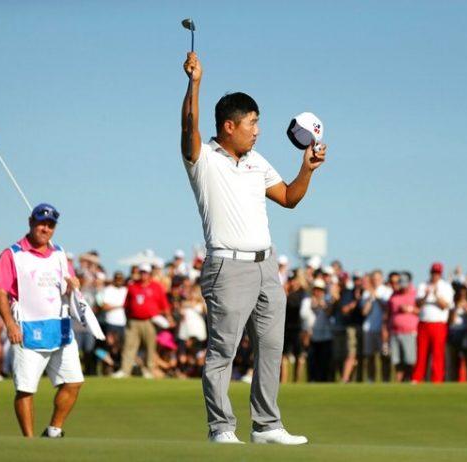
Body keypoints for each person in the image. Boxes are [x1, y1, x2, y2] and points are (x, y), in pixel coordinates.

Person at [181, 52, 326, 444]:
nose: (258, 130)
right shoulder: (202, 158)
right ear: (229, 126)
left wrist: (307, 169)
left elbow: (289, 198)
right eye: (252, 123)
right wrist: (195, 82)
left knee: (271, 347)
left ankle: (266, 426)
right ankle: (221, 428)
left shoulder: (257, 161)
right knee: (223, 351)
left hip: (266, 267)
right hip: (227, 268)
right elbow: (189, 125)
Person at [0, 203, 83, 437]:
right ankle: (29, 441)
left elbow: (68, 285)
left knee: (73, 382)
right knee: (25, 389)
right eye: (42, 223)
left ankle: (54, 430)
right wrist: (10, 324)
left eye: (51, 225)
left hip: (61, 329)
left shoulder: (60, 253)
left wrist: (74, 285)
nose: (46, 229)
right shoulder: (13, 254)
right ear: (30, 222)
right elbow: (0, 291)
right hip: (26, 329)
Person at [112, 263, 171, 379]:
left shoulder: (156, 287)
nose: (144, 275)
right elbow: (127, 305)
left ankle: (149, 370)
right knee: (129, 346)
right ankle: (125, 370)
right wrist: (128, 319)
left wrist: (168, 318)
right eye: (142, 272)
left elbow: (164, 305)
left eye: (146, 273)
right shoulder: (133, 286)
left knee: (150, 347)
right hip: (133, 321)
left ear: (150, 274)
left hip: (150, 321)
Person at [412, 262, 454, 383]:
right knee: (421, 353)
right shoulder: (423, 285)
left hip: (438, 324)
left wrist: (436, 295)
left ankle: (437, 378)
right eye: (433, 272)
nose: (435, 275)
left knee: (438, 353)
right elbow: (418, 303)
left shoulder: (446, 287)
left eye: (437, 273)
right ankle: (417, 377)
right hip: (424, 323)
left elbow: (445, 305)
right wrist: (426, 295)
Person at [385, 272, 419, 382]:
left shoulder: (416, 294)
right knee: (396, 360)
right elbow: (388, 313)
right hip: (394, 331)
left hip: (410, 332)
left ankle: (408, 380)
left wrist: (410, 309)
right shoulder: (394, 295)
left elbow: (422, 311)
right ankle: (399, 382)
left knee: (409, 359)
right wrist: (386, 329)